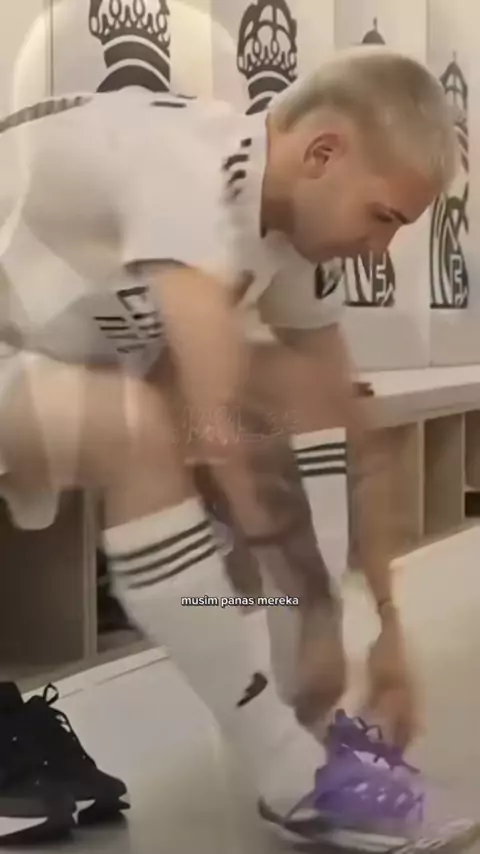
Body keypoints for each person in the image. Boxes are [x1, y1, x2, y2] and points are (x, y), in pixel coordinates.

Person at [0, 46, 476, 851]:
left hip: (33, 354)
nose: (379, 252)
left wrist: (386, 628)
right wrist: (312, 610)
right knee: (143, 430)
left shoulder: (279, 221)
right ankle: (290, 771)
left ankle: (312, 733)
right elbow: (211, 419)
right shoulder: (183, 166)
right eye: (384, 218)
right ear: (322, 153)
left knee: (286, 403)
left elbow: (337, 415)